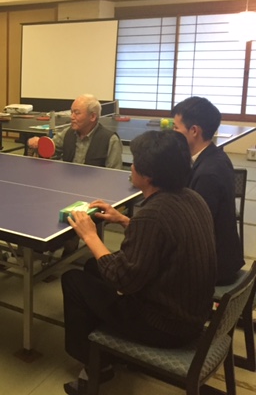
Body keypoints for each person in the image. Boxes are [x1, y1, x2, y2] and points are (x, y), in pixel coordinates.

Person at [61, 130, 217, 395]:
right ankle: (106, 351)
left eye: (135, 162)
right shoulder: (192, 198)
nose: (131, 167)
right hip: (192, 313)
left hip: (165, 326)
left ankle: (96, 365)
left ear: (149, 176)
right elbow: (165, 238)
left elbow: (122, 280)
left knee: (73, 280)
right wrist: (124, 220)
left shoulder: (152, 215)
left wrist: (89, 236)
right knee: (92, 267)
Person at [172, 96, 244, 285]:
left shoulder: (208, 174)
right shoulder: (213, 155)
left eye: (176, 128)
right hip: (221, 255)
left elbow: (194, 230)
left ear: (194, 131)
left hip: (214, 266)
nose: (173, 133)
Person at [27, 94, 123, 169]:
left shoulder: (111, 140)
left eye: (77, 113)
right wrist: (36, 143)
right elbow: (50, 150)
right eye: (72, 112)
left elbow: (113, 176)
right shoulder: (67, 133)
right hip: (67, 181)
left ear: (93, 116)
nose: (72, 117)